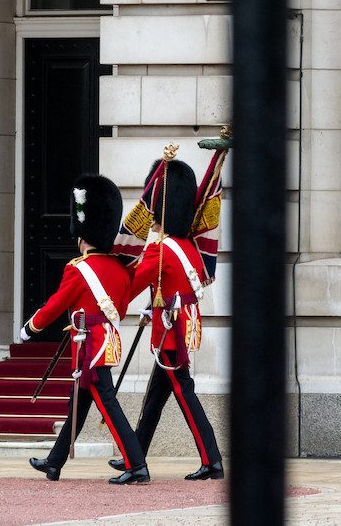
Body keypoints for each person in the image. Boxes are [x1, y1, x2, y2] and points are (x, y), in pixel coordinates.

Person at [21, 174, 150, 485]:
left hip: (88, 347)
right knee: (77, 406)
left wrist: (31, 327)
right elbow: (120, 307)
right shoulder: (120, 271)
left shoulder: (78, 269)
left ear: (82, 236)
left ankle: (137, 464)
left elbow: (55, 305)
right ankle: (54, 462)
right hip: (104, 342)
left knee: (108, 402)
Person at [109, 158, 224, 481]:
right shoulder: (186, 245)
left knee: (185, 395)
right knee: (156, 396)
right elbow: (173, 286)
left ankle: (211, 459)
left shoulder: (160, 249)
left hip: (170, 333)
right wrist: (153, 307)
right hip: (177, 325)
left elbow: (131, 286)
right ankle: (136, 454)